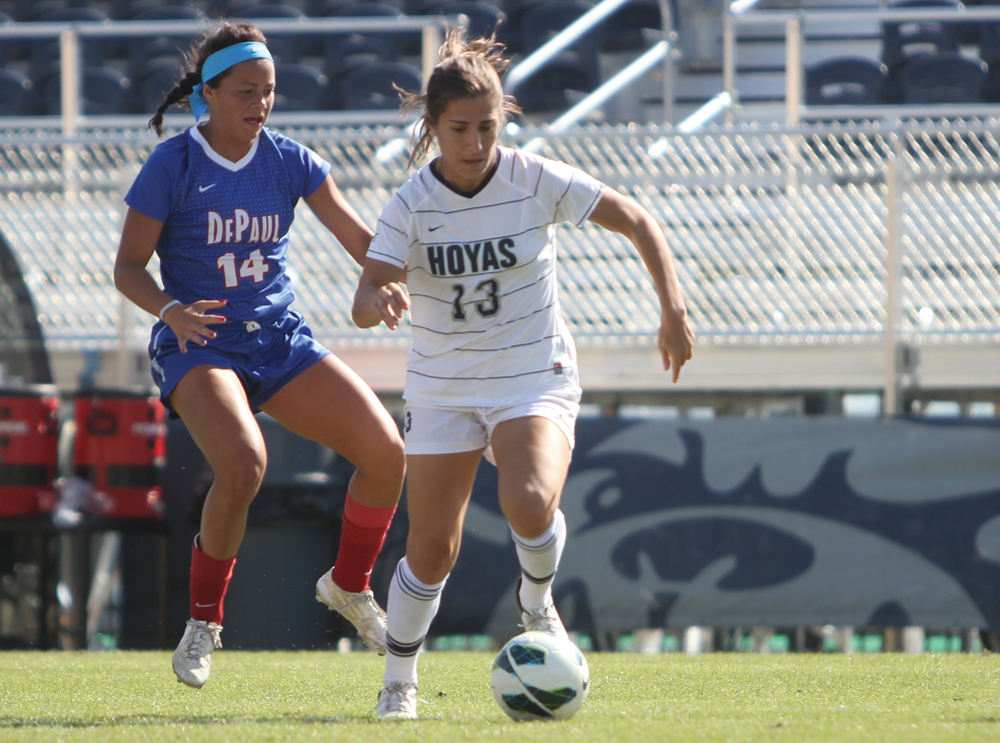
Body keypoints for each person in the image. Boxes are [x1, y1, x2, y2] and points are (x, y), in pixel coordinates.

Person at [352, 29, 695, 720]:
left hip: (531, 371)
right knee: (431, 547)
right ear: (432, 127)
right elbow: (365, 297)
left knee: (531, 500)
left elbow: (636, 219)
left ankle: (536, 600)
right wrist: (378, 299)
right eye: (459, 129)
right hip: (443, 385)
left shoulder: (535, 177)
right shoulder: (410, 203)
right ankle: (398, 681)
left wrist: (674, 308)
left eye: (487, 126)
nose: (475, 142)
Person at [113, 21, 405, 689]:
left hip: (279, 340)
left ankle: (349, 585)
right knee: (244, 464)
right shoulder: (173, 164)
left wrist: (387, 280)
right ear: (208, 95)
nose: (261, 103)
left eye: (269, 91)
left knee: (388, 454)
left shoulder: (290, 159)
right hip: (200, 341)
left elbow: (364, 243)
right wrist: (169, 310)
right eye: (246, 90)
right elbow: (128, 268)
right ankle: (203, 622)